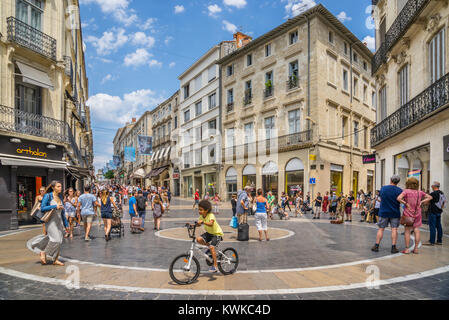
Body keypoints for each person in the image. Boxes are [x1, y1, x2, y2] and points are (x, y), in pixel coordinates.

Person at [30, 181, 65, 266]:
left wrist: (66, 224)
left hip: (59, 222)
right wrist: (54, 206)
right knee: (56, 239)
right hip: (50, 222)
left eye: (60, 186)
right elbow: (42, 208)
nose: (60, 188)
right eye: (58, 186)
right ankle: (44, 253)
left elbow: (62, 212)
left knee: (59, 241)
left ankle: (55, 259)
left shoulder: (60, 197)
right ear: (53, 187)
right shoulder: (48, 196)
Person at [397, 178, 432, 254]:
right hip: (417, 213)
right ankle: (416, 249)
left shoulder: (406, 191)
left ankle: (407, 249)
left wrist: (405, 203)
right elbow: (430, 197)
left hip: (408, 213)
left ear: (408, 184)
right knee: (416, 230)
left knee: (407, 231)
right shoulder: (420, 192)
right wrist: (422, 201)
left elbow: (398, 198)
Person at [371, 175, 403, 254]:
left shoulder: (383, 188)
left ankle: (376, 245)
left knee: (381, 229)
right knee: (394, 229)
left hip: (384, 211)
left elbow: (381, 198)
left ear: (390, 180)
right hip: (395, 212)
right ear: (398, 182)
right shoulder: (399, 190)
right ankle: (393, 247)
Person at [195, 200, 224, 273]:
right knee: (198, 239)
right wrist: (192, 225)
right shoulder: (201, 216)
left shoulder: (211, 215)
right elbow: (198, 224)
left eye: (201, 210)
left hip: (217, 234)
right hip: (209, 233)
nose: (199, 211)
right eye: (199, 209)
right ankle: (210, 249)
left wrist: (203, 222)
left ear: (206, 210)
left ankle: (215, 266)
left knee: (212, 247)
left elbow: (211, 223)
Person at [423, 181, 446, 246]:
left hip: (432, 212)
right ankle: (439, 241)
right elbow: (444, 201)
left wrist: (424, 202)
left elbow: (426, 202)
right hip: (439, 211)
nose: (431, 186)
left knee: (432, 227)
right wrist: (441, 208)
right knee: (439, 226)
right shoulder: (441, 193)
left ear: (434, 186)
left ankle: (431, 241)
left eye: (432, 185)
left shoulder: (433, 193)